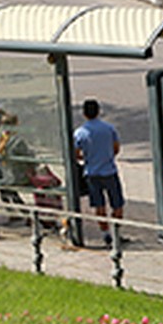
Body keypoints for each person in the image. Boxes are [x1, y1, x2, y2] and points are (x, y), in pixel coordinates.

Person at [73, 98, 125, 247]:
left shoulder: (80, 133)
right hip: (109, 170)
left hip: (91, 172)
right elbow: (116, 148)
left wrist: (87, 157)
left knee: (99, 206)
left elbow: (76, 154)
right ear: (98, 111)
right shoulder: (109, 128)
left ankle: (106, 234)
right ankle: (116, 233)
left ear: (84, 114)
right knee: (117, 204)